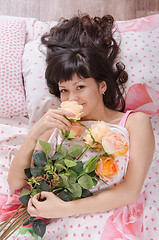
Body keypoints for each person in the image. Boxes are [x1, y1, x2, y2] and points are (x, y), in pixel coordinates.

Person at [8, 14, 155, 220]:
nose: (72, 97)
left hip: (107, 218)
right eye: (64, 90)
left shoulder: (134, 122)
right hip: (53, 219)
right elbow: (16, 183)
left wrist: (65, 209)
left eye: (80, 87)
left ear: (102, 86)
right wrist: (35, 133)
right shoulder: (56, 124)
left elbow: (131, 190)